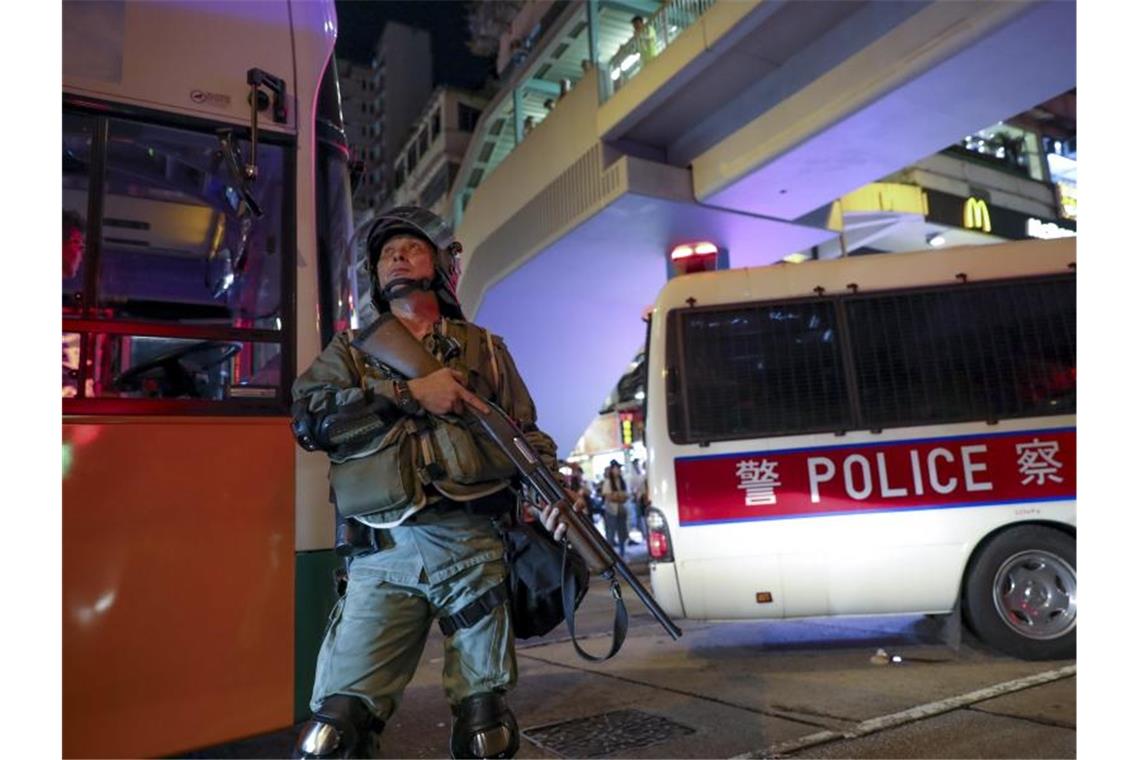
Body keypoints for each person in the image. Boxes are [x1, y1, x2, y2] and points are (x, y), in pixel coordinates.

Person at [291, 206, 577, 759]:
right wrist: (407, 395)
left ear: (443, 266)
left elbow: (527, 436)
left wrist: (552, 497)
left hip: (472, 551)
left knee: (485, 734)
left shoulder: (486, 350)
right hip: (381, 557)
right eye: (385, 253)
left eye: (411, 247)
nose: (395, 255)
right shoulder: (351, 352)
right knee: (331, 737)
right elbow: (309, 420)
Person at [601, 460, 630, 558]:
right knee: (611, 534)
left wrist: (617, 496)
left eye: (619, 468)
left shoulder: (621, 481)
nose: (619, 470)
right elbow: (608, 497)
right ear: (612, 470)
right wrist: (619, 497)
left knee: (622, 533)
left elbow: (626, 496)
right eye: (617, 468)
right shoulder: (608, 481)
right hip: (611, 511)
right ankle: (610, 556)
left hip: (621, 510)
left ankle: (622, 554)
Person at [627, 458, 648, 543]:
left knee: (642, 517)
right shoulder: (632, 476)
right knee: (640, 518)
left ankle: (645, 533)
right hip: (639, 500)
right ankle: (644, 534)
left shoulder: (643, 475)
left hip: (642, 499)